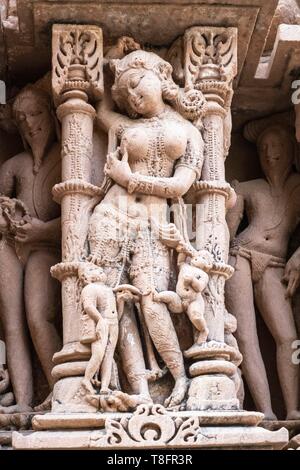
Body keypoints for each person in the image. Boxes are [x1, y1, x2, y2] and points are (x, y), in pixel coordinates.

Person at [88, 49, 205, 410]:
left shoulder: (188, 131)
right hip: (111, 217)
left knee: (153, 303)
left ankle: (181, 377)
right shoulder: (126, 127)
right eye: (128, 97)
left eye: (137, 83)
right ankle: (136, 388)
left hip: (153, 226)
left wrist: (130, 179)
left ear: (162, 74)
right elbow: (101, 110)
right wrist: (107, 60)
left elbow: (181, 187)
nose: (134, 97)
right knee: (113, 306)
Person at [226, 123, 300, 420]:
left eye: (277, 147)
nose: (271, 154)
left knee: (288, 336)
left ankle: (293, 408)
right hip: (240, 255)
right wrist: (229, 200)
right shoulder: (248, 188)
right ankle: (266, 411)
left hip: (275, 263)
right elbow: (227, 232)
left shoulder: (297, 187)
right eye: (264, 148)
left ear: (291, 149)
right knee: (245, 335)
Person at [0, 85, 62, 413]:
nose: (29, 123)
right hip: (12, 246)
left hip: (45, 247)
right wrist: (8, 217)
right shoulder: (14, 165)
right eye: (21, 119)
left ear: (51, 116)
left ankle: (60, 391)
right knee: (12, 322)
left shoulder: (68, 157)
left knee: (37, 316)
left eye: (36, 114)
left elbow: (81, 215)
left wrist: (41, 231)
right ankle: (24, 402)